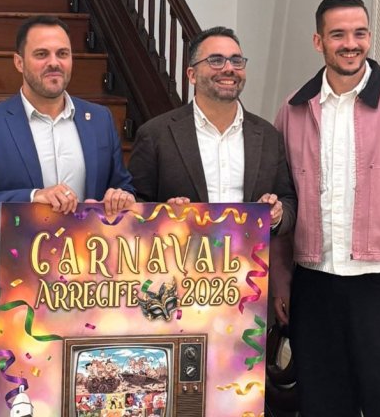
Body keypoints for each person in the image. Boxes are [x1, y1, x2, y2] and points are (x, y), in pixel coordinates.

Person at [273, 0, 380, 417]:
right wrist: (281, 282)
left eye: (360, 33)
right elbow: (282, 200)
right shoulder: (294, 110)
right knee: (321, 404)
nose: (351, 44)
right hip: (314, 286)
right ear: (318, 41)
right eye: (338, 35)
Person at [0, 15, 135, 349]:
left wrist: (121, 197)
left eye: (62, 53)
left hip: (92, 285)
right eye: (42, 54)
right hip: (16, 286)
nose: (54, 62)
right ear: (19, 62)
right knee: (21, 382)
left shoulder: (98, 119)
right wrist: (32, 197)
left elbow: (123, 186)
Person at [127, 26, 297, 295]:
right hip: (176, 287)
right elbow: (133, 207)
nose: (229, 68)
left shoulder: (267, 135)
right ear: (192, 74)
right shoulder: (156, 134)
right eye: (216, 60)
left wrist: (276, 214)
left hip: (248, 289)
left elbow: (288, 201)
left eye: (236, 61)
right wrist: (163, 215)